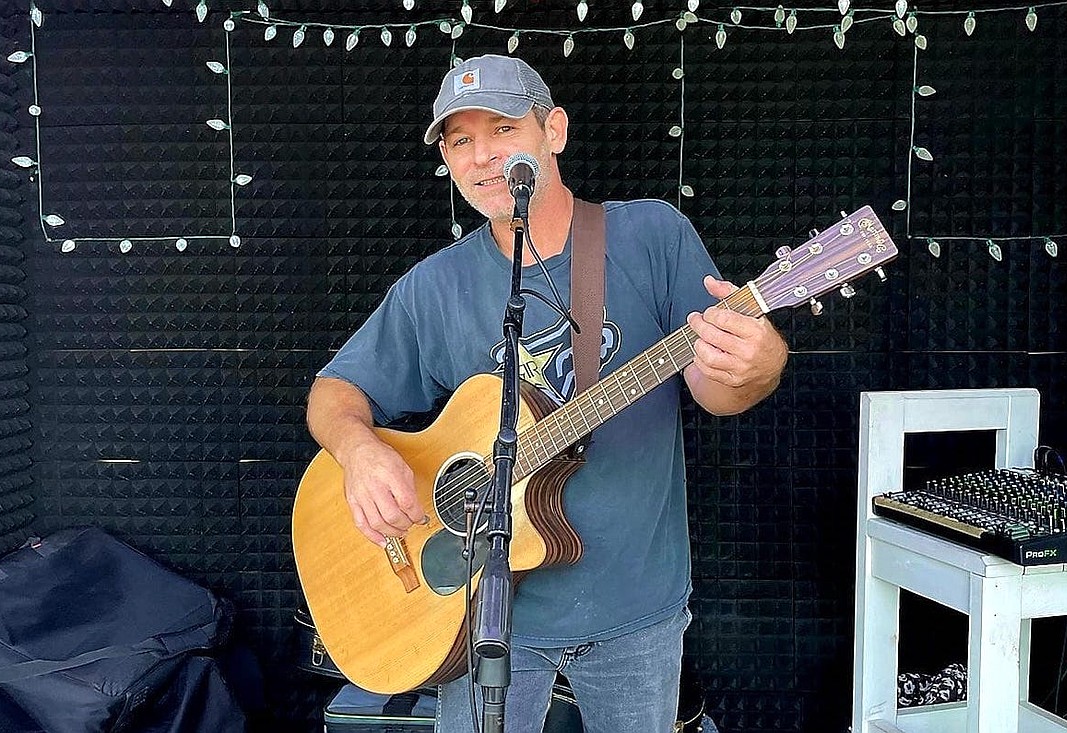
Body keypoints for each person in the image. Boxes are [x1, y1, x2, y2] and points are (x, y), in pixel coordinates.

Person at [306, 54, 788, 733]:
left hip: (633, 608)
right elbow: (334, 391)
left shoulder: (649, 236)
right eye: (461, 140)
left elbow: (716, 389)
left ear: (553, 130)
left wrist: (755, 364)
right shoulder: (435, 287)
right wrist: (359, 451)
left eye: (503, 129)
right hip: (481, 614)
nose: (483, 157)